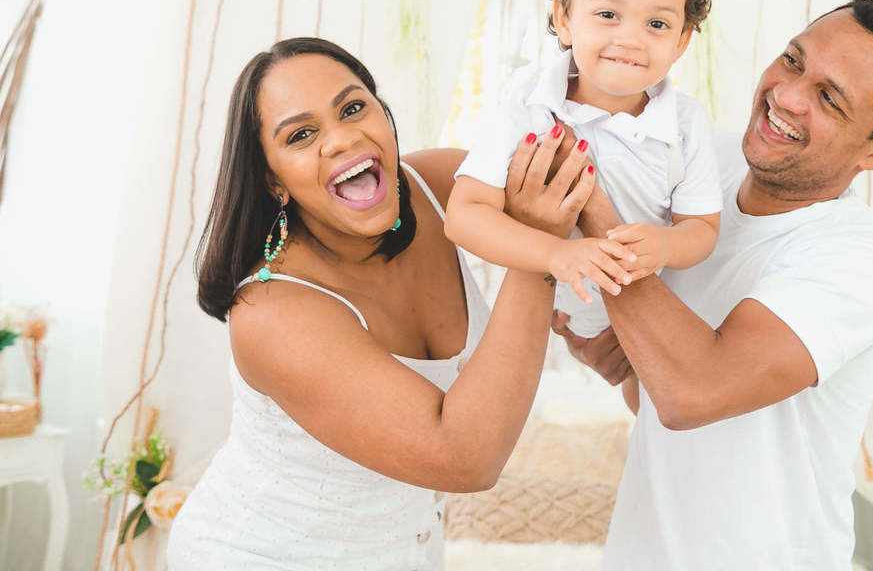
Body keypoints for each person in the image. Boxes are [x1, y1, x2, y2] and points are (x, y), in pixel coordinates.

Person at [504, 0, 873, 569]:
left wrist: (587, 194)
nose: (787, 96)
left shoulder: (858, 261)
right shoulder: (700, 162)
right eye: (793, 61)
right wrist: (622, 364)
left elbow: (693, 393)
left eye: (829, 98)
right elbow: (669, 404)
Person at [167, 38, 594, 570]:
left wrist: (607, 344)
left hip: (409, 551)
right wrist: (540, 249)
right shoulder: (272, 314)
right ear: (273, 180)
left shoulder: (445, 185)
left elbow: (588, 197)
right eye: (301, 135)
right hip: (263, 555)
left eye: (352, 108)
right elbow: (467, 458)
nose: (342, 139)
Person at [445, 0, 723, 339]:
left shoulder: (685, 123)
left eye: (656, 24)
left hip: (646, 319)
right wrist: (555, 254)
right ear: (564, 18)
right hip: (547, 308)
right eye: (608, 15)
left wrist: (666, 244)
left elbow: (702, 228)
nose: (630, 38)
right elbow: (464, 216)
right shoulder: (529, 101)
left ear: (682, 40)